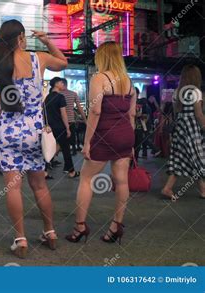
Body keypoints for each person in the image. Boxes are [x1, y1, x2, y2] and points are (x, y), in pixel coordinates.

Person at [0, 19, 68, 257]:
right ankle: (50, 232)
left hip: (8, 131)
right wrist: (47, 40)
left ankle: (21, 240)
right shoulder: (38, 58)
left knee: (13, 188)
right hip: (34, 131)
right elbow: (63, 62)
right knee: (39, 185)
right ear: (21, 38)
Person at [65, 41, 136, 245]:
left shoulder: (99, 78)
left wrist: (87, 142)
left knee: (86, 179)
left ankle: (80, 226)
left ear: (102, 57)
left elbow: (95, 112)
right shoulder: (128, 81)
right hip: (125, 135)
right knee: (122, 180)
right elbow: (131, 114)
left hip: (105, 135)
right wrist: (130, 142)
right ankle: (116, 226)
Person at [161, 65, 205, 200]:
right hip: (191, 127)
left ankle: (168, 188)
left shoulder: (176, 92)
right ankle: (202, 190)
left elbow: (176, 112)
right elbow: (198, 114)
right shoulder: (196, 92)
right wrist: (203, 125)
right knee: (198, 157)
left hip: (180, 127)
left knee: (182, 158)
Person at [44, 77, 80, 178]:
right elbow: (64, 114)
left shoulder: (47, 97)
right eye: (61, 82)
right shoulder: (60, 97)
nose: (63, 84)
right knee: (66, 150)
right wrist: (68, 128)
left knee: (49, 149)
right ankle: (71, 172)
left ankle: (44, 171)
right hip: (60, 127)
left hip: (50, 127)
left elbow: (45, 113)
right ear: (56, 84)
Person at [60, 78, 87, 156]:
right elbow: (79, 107)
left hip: (61, 120)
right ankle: (74, 150)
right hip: (71, 119)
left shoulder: (59, 94)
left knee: (63, 138)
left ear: (62, 84)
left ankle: (66, 152)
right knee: (72, 136)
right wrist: (85, 119)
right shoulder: (73, 93)